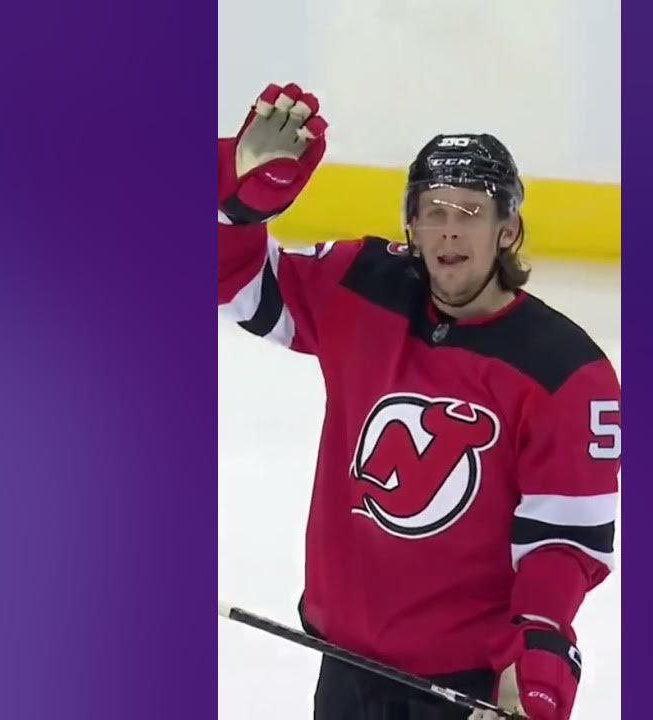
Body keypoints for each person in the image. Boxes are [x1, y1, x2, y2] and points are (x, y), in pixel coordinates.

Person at [217, 82, 621, 720]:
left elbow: (564, 543)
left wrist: (539, 653)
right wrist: (239, 207)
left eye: (470, 212)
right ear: (410, 223)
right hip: (346, 664)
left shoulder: (565, 370)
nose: (449, 231)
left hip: (462, 691)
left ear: (508, 229)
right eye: (433, 210)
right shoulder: (363, 286)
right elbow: (238, 288)